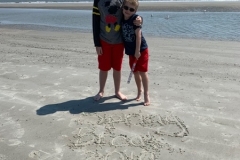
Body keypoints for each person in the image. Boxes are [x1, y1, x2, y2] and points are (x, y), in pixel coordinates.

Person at [92, 0, 142, 101]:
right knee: (103, 67)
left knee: (117, 68)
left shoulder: (122, 0)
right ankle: (101, 90)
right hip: (103, 41)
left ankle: (117, 91)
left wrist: (140, 19)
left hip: (119, 42)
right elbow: (95, 21)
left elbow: (131, 12)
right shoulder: (98, 1)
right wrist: (97, 43)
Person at [121, 0, 150, 106]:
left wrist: (137, 50)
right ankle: (139, 91)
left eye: (131, 9)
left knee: (143, 72)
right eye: (126, 8)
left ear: (135, 11)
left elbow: (138, 35)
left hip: (141, 50)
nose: (128, 11)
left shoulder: (135, 19)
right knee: (135, 72)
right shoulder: (122, 17)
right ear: (122, 7)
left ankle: (146, 94)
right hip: (131, 52)